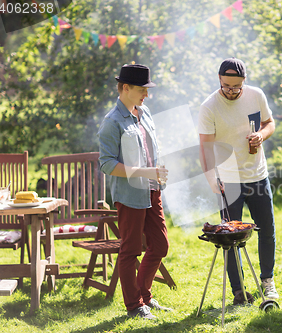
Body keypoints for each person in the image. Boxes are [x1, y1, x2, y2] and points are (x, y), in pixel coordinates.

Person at [198, 58, 279, 304]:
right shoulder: (209, 106)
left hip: (257, 175)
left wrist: (261, 135)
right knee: (230, 238)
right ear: (219, 80)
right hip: (228, 180)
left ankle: (268, 282)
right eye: (227, 86)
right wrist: (211, 178)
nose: (232, 92)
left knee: (267, 230)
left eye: (237, 87)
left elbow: (269, 122)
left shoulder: (256, 95)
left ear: (245, 81)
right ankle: (239, 291)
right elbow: (205, 147)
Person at [97, 64, 171, 319]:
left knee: (160, 245)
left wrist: (156, 171)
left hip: (152, 190)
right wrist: (145, 172)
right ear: (125, 88)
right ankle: (134, 305)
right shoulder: (112, 122)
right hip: (129, 196)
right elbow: (106, 164)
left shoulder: (145, 112)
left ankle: (144, 296)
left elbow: (150, 150)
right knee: (130, 250)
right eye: (142, 90)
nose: (146, 95)